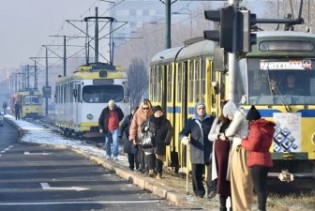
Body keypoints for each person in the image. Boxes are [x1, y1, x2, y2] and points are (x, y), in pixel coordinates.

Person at [220, 101, 253, 211]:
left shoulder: (239, 116)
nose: (229, 118)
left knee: (239, 180)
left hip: (240, 150)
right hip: (241, 148)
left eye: (228, 115)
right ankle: (239, 206)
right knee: (240, 180)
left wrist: (225, 134)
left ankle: (241, 207)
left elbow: (230, 131)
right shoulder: (242, 114)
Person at [241, 105, 275, 211]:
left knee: (258, 188)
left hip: (257, 160)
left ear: (252, 120)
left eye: (248, 121)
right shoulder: (266, 127)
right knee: (263, 187)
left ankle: (261, 208)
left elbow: (252, 146)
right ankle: (262, 207)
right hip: (265, 159)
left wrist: (242, 141)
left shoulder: (256, 128)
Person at [179, 102, 215, 198]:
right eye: (199, 108)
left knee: (212, 171)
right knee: (196, 173)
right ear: (196, 110)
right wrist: (184, 138)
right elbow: (183, 133)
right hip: (196, 150)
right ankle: (199, 192)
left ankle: (211, 190)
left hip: (209, 150)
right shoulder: (191, 121)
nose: (201, 110)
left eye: (203, 108)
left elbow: (216, 130)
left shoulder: (211, 119)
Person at [208, 102, 232, 211]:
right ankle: (222, 205)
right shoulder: (218, 121)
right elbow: (210, 136)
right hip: (220, 155)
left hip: (232, 154)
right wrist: (218, 136)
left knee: (231, 180)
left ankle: (232, 204)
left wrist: (228, 138)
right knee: (221, 178)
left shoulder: (235, 122)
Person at [141, 105, 172, 179]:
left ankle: (159, 173)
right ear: (154, 113)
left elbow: (169, 131)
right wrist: (145, 128)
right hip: (150, 142)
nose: (158, 113)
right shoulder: (149, 120)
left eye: (160, 112)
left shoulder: (166, 121)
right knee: (150, 155)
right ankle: (151, 170)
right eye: (157, 112)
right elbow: (142, 128)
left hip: (160, 142)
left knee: (159, 158)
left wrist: (167, 140)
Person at [129, 99, 153, 174]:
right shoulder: (137, 114)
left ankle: (148, 168)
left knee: (148, 153)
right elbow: (133, 126)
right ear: (141, 107)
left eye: (147, 108)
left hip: (149, 137)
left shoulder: (152, 113)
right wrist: (132, 137)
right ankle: (143, 167)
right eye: (144, 108)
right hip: (140, 136)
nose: (145, 110)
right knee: (141, 153)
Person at [120, 107, 139, 171]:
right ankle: (131, 166)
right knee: (130, 153)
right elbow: (122, 126)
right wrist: (120, 134)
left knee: (136, 153)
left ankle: (138, 167)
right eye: (134, 111)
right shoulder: (128, 118)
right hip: (128, 137)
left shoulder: (140, 118)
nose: (134, 113)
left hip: (137, 137)